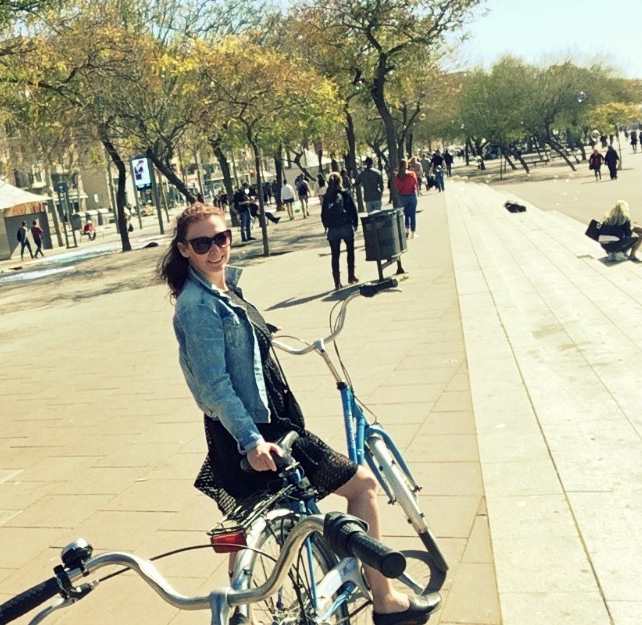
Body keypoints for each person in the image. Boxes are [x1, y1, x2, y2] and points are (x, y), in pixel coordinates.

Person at [158, 203, 440, 625]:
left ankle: (239, 612)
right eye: (202, 244)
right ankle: (386, 601)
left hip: (247, 429)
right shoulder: (198, 306)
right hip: (260, 431)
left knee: (249, 520)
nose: (215, 250)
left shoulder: (222, 289)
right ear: (184, 249)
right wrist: (252, 442)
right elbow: (215, 386)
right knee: (363, 486)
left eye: (222, 238)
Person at [321, 172, 359, 290]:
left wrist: (326, 226)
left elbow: (323, 213)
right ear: (340, 181)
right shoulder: (346, 193)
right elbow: (353, 209)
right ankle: (351, 275)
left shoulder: (327, 196)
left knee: (335, 255)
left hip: (333, 229)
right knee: (350, 252)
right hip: (346, 226)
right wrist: (355, 223)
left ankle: (337, 282)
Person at [395, 162, 419, 239]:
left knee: (406, 214)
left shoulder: (398, 176)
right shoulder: (411, 174)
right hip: (411, 195)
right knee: (412, 214)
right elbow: (415, 183)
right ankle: (413, 232)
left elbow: (397, 186)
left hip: (402, 196)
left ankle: (406, 230)